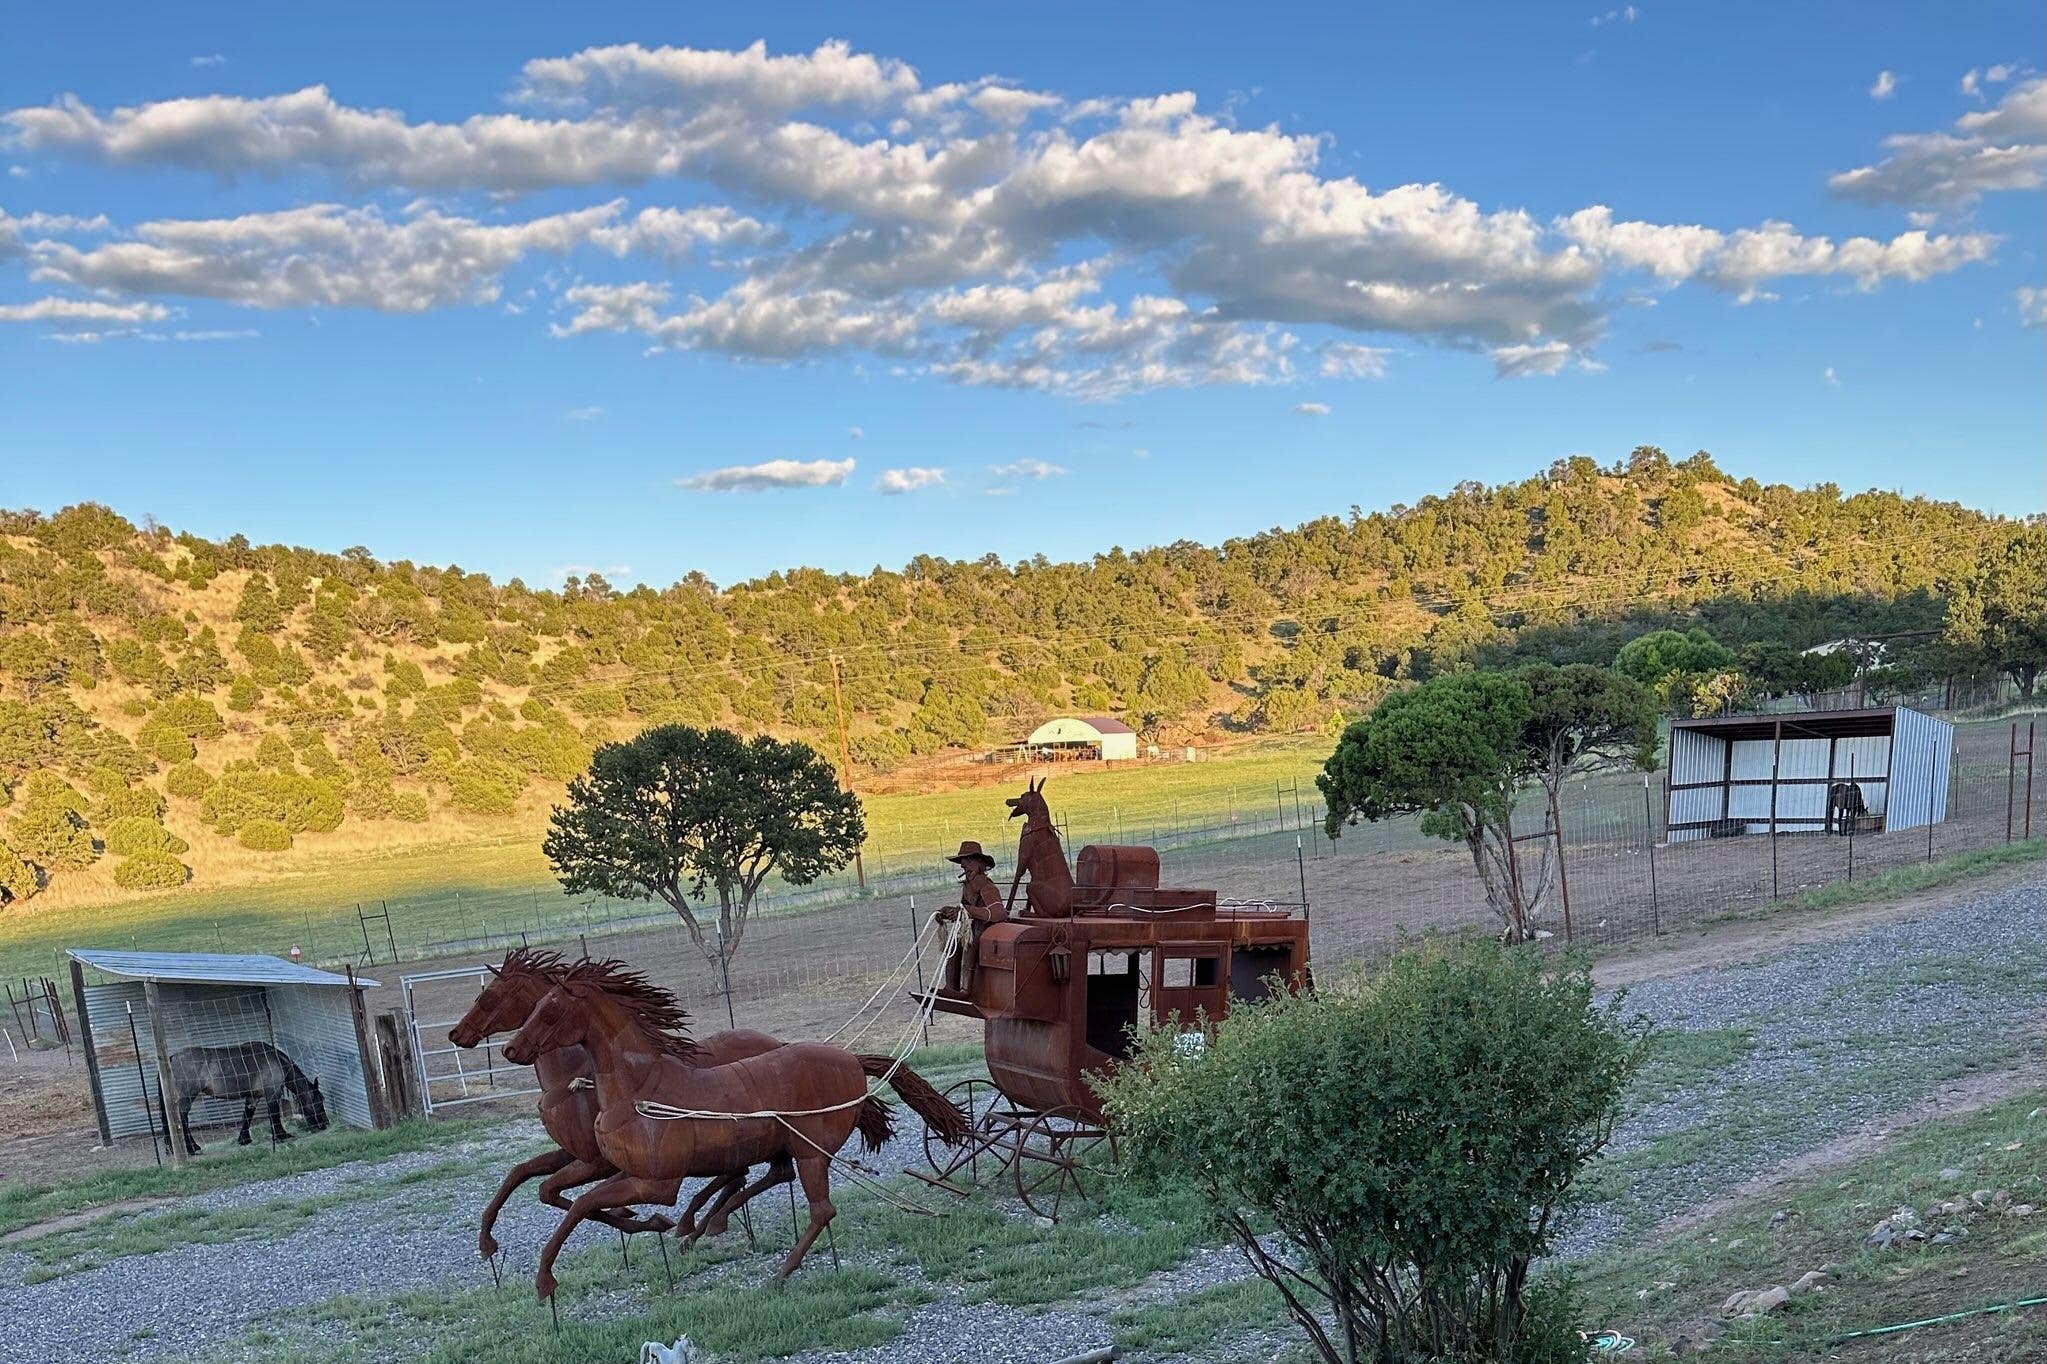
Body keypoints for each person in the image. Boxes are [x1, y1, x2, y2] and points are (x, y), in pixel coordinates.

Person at [937, 840, 1004, 994]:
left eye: (967, 861)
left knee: (969, 944)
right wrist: (947, 914)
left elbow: (998, 913)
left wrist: (968, 911)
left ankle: (965, 989)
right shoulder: (968, 886)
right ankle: (950, 987)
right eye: (962, 861)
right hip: (973, 927)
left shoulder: (987, 886)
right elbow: (962, 910)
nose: (963, 865)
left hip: (987, 928)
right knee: (954, 944)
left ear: (978, 863)